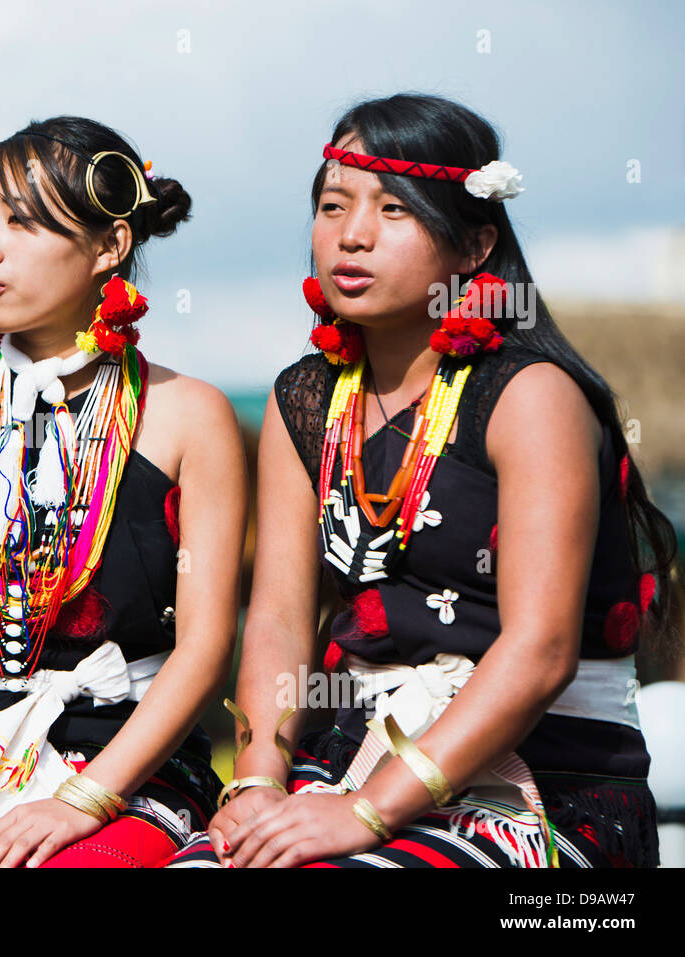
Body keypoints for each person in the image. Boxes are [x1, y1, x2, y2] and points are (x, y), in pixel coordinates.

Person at [192, 93, 675, 869]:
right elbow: (280, 617)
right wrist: (254, 780)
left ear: (475, 244)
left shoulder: (531, 396)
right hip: (349, 756)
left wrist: (367, 815)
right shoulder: (307, 399)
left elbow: (541, 650)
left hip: (543, 784)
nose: (351, 234)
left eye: (393, 210)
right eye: (333, 205)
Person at [0, 117, 247, 867]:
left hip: (131, 766)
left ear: (110, 246)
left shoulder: (191, 416)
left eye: (20, 221)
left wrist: (83, 800)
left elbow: (204, 646)